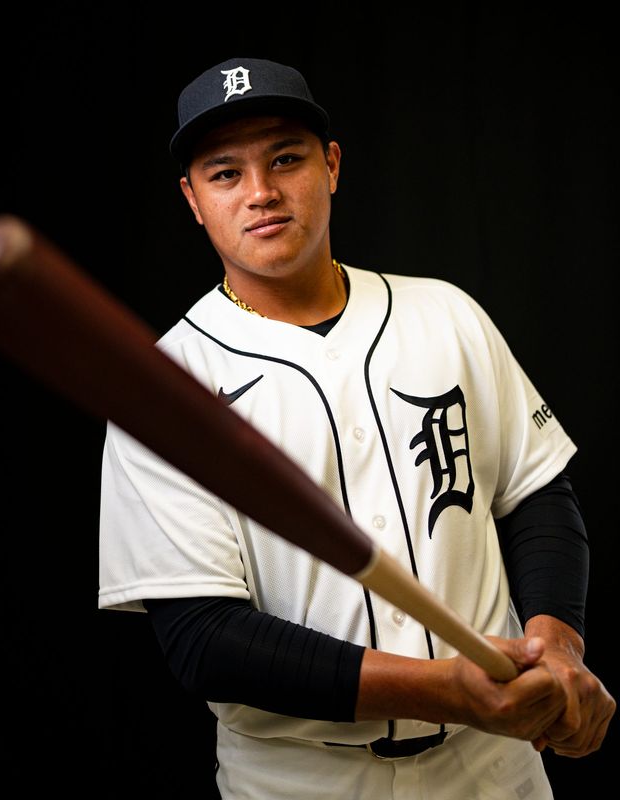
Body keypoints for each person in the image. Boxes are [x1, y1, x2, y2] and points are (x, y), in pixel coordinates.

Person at [98, 57, 615, 799]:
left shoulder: (446, 314)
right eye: (225, 173)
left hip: (494, 768)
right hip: (301, 780)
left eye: (286, 159)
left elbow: (537, 497)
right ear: (193, 200)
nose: (261, 192)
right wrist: (445, 689)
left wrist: (557, 650)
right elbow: (204, 638)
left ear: (332, 165)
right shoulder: (164, 386)